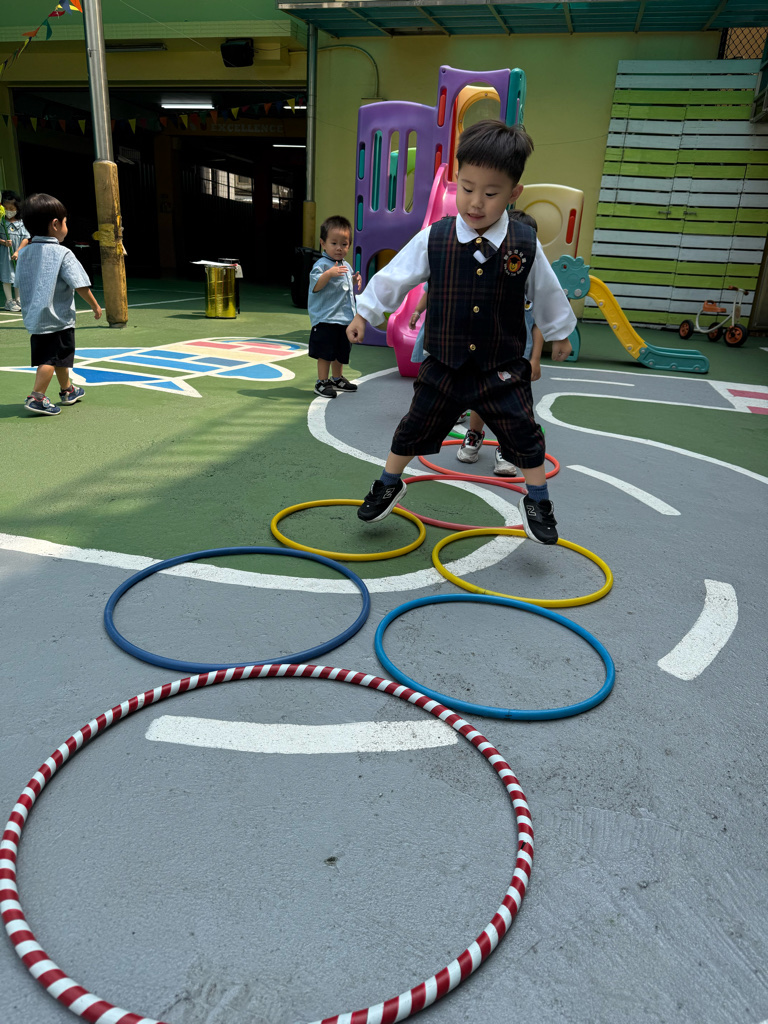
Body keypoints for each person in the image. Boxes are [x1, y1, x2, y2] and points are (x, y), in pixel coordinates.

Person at [347, 119, 576, 545]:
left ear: (513, 193)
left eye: (490, 193)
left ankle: (538, 499)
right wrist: (365, 312)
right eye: (467, 188)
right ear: (457, 181)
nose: (476, 202)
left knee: (525, 431)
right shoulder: (435, 237)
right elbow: (395, 276)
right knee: (414, 426)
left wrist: (559, 332)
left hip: (501, 365)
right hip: (444, 362)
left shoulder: (524, 243)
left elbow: (547, 290)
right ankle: (388, 482)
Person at [457, 209, 546, 477]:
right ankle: (474, 434)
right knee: (481, 396)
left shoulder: (535, 276)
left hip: (517, 356)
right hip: (486, 351)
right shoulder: (488, 270)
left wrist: (535, 359)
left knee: (512, 406)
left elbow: (541, 320)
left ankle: (506, 448)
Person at [15, 193, 102, 416]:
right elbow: (80, 284)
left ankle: (67, 390)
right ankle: (37, 397)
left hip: (35, 317)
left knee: (60, 356)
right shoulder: (63, 253)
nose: (66, 227)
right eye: (65, 222)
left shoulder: (24, 253)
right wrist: (95, 306)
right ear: (55, 224)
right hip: (57, 318)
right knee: (49, 359)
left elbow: (20, 283)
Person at [308, 215, 362, 399]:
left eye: (344, 244)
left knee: (340, 351)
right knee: (325, 353)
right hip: (326, 318)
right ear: (323, 243)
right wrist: (328, 274)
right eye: (334, 243)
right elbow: (316, 286)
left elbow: (343, 288)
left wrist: (353, 280)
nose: (339, 248)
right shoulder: (321, 265)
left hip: (344, 318)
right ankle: (321, 381)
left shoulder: (346, 265)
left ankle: (337, 378)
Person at [0, 190, 30, 312]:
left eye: (11, 208)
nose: (9, 211)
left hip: (19, 253)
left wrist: (17, 251)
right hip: (5, 254)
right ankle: (9, 301)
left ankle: (18, 299)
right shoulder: (1, 222)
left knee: (18, 276)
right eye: (6, 208)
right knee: (7, 276)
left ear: (17, 208)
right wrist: (3, 242)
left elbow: (26, 238)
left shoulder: (21, 223)